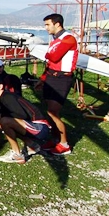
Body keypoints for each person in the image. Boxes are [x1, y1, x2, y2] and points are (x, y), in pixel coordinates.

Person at [34, 13, 78, 155]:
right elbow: (50, 61)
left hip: (62, 78)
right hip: (51, 77)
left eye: (48, 24)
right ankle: (55, 139)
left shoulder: (68, 39)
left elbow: (53, 56)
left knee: (53, 112)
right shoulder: (55, 39)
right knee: (49, 110)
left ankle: (64, 144)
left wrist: (48, 53)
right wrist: (43, 79)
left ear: (57, 24)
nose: (46, 28)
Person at [0, 76, 52, 164]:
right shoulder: (4, 96)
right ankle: (33, 146)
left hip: (40, 127)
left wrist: (3, 121)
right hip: (38, 127)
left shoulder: (7, 97)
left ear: (0, 86)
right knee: (2, 120)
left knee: (5, 121)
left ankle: (17, 154)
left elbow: (22, 115)